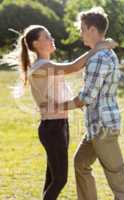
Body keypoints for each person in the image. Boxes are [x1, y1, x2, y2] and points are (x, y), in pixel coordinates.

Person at [43, 7, 124, 200]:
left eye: (83, 28)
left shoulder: (99, 58)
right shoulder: (104, 53)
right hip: (96, 126)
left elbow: (86, 97)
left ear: (93, 30)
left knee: (117, 174)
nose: (80, 33)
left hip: (103, 126)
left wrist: (59, 106)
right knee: (80, 163)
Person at [18, 24, 116, 200]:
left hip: (60, 125)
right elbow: (73, 67)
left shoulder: (46, 65)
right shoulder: (41, 66)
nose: (51, 39)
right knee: (60, 180)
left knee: (52, 178)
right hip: (52, 128)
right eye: (47, 37)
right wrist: (98, 48)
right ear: (36, 44)